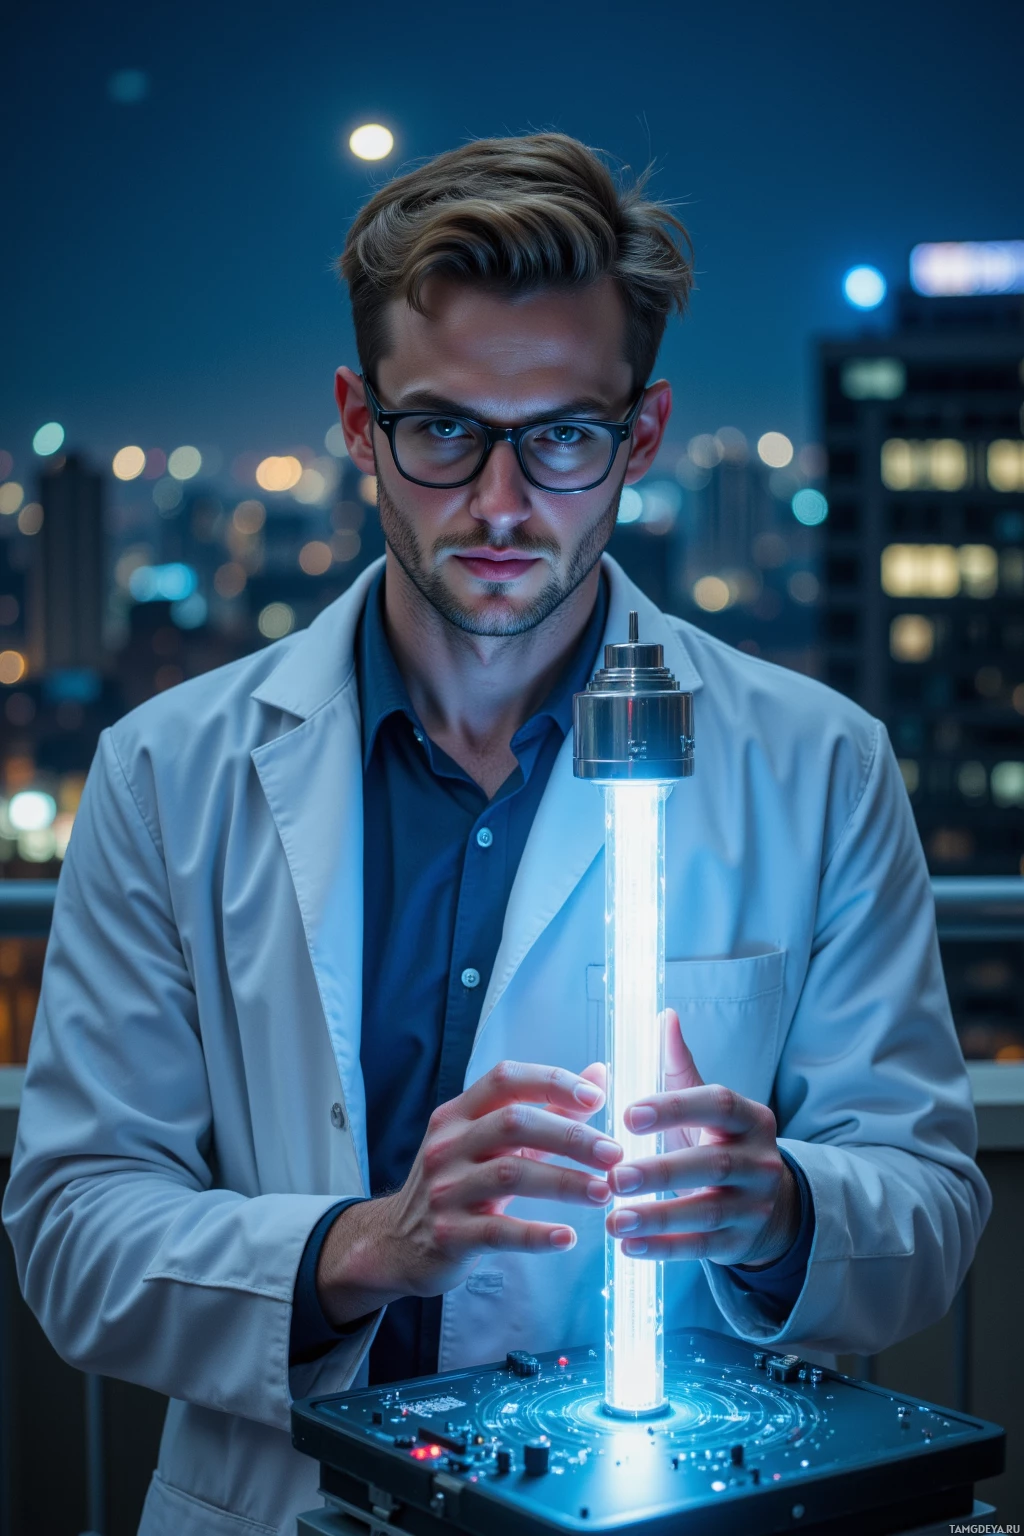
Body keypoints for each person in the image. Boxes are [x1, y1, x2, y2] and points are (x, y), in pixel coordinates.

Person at [3, 133, 989, 1536]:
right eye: (444, 429)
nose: (503, 503)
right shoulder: (170, 771)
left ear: (640, 437)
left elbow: (930, 1211)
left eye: (566, 436)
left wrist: (776, 1209)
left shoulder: (820, 764)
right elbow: (74, 1230)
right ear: (359, 422)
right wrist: (366, 1248)